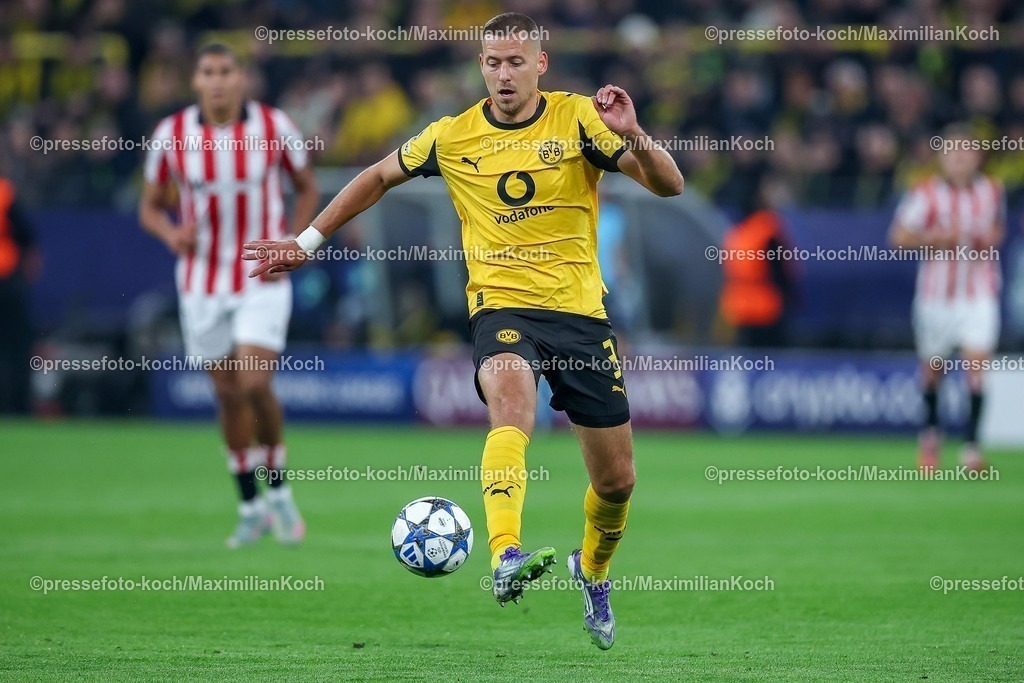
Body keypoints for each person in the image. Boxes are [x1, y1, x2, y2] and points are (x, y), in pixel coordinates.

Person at [243, 13, 683, 649]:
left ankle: (591, 571)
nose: (504, 74)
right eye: (493, 62)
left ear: (540, 64)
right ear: (481, 66)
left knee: (616, 482)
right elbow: (376, 176)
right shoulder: (451, 135)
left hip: (580, 316)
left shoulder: (580, 119)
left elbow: (669, 185)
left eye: (516, 62)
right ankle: (505, 555)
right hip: (501, 309)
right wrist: (306, 242)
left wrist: (635, 134)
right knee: (512, 408)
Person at [138, 43, 320, 548]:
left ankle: (279, 491)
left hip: (262, 274)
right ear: (195, 81)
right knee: (227, 393)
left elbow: (307, 187)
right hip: (201, 281)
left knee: (255, 382)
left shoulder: (275, 126)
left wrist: (293, 242)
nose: (217, 80)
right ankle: (249, 505)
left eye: (225, 71)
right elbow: (150, 206)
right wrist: (171, 232)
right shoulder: (171, 133)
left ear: (242, 78)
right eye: (208, 72)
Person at [889, 124, 1004, 472]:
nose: (959, 160)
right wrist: (936, 238)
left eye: (966, 153)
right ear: (942, 158)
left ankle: (971, 448)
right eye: (952, 153)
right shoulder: (925, 193)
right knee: (933, 370)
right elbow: (898, 237)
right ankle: (930, 436)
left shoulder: (992, 191)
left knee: (976, 367)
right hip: (935, 297)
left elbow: (997, 231)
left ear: (977, 158)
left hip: (978, 292)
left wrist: (988, 239)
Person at [719, 175, 796, 347]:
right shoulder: (768, 230)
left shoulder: (739, 231)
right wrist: (791, 297)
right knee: (769, 358)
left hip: (740, 308)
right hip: (767, 310)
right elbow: (779, 272)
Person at [0, 175, 39, 414]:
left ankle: (15, 404)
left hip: (8, 280)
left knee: (14, 347)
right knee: (15, 347)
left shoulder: (5, 192)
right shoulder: (5, 191)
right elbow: (28, 238)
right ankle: (17, 405)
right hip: (9, 280)